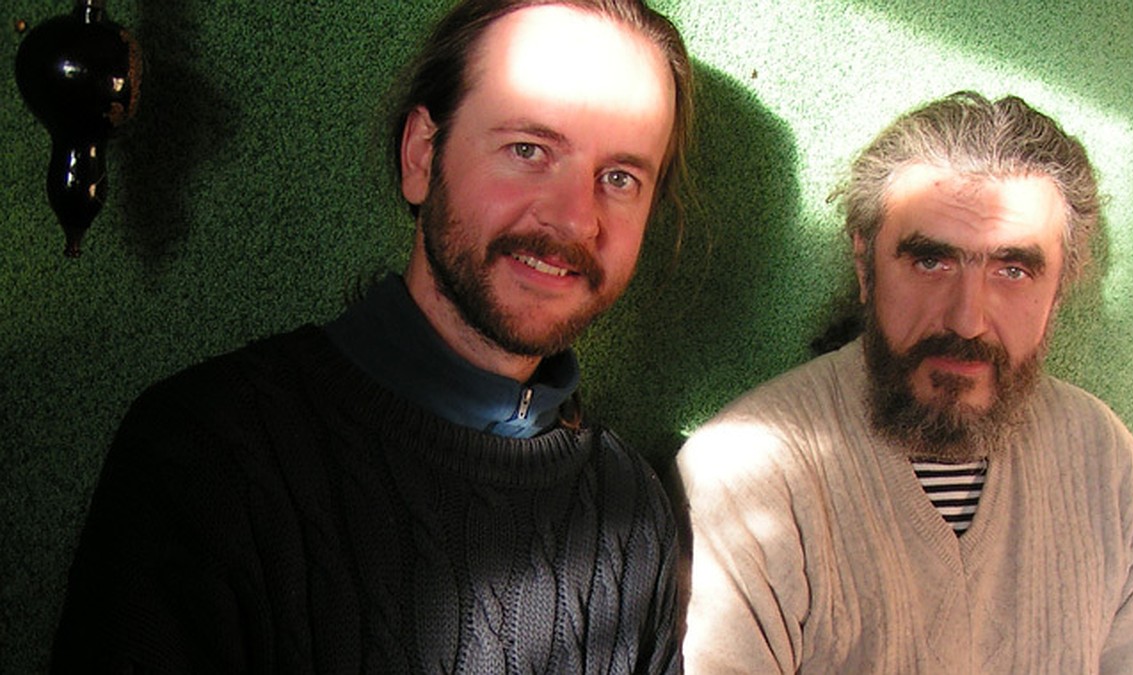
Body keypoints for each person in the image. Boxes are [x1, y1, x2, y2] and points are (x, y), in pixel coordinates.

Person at [52, 0, 694, 672]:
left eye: (619, 178)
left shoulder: (632, 513)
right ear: (421, 155)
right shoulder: (203, 454)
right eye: (529, 150)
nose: (576, 218)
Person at [675, 91, 1133, 673]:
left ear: (1061, 285)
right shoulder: (746, 472)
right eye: (931, 262)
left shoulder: (1104, 462)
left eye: (1012, 270)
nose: (967, 319)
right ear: (865, 264)